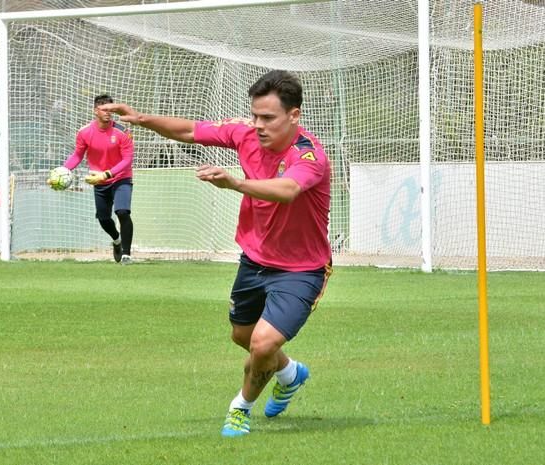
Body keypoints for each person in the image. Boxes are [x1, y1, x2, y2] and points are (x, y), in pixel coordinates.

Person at [101, 69, 332, 437]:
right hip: (254, 259)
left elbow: (288, 190)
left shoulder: (309, 156)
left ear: (294, 115)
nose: (258, 125)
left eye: (268, 118)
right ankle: (289, 373)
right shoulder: (244, 134)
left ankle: (240, 408)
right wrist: (141, 118)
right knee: (243, 338)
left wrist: (235, 183)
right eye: (255, 115)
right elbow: (190, 131)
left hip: (300, 269)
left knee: (263, 342)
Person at [48, 94, 135, 264]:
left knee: (122, 212)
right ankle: (116, 240)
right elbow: (77, 155)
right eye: (104, 110)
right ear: (95, 111)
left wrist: (108, 173)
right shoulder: (84, 132)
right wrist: (61, 171)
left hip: (121, 178)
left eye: (111, 110)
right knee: (103, 219)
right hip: (99, 181)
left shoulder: (123, 132)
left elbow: (127, 159)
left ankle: (126, 254)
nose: (108, 113)